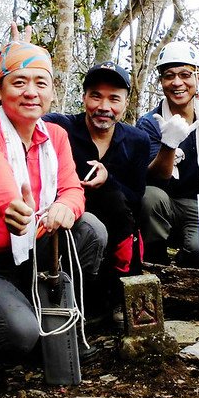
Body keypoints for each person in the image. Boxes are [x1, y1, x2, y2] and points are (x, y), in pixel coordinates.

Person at [0, 27, 107, 360]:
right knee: (19, 336)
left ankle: (60, 317)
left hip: (39, 249)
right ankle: (18, 321)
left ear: (52, 91)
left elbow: (71, 188)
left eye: (41, 83)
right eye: (19, 82)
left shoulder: (55, 135)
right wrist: (11, 203)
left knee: (91, 230)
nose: (31, 93)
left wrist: (66, 207)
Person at [44, 62, 151, 318]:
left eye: (114, 99)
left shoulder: (137, 141)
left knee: (117, 201)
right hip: (66, 220)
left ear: (126, 103)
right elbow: (17, 120)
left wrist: (108, 179)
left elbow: (137, 197)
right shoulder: (60, 127)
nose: (104, 107)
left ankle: (123, 292)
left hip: (118, 223)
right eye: (96, 96)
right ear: (83, 98)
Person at [137, 40, 199, 267]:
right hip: (166, 203)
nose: (177, 83)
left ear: (198, 78)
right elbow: (156, 177)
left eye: (185, 74)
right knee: (150, 196)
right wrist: (169, 143)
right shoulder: (149, 122)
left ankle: (186, 260)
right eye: (169, 75)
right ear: (161, 81)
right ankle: (156, 259)